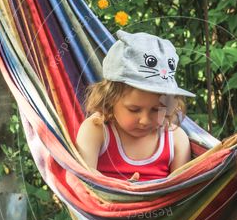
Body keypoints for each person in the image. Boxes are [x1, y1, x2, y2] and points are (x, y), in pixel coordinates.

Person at [75, 30, 194, 181]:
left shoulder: (175, 139)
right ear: (110, 99)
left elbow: (181, 192)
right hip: (104, 203)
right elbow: (83, 181)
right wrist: (122, 192)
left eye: (157, 110)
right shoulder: (97, 130)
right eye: (134, 109)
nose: (144, 120)